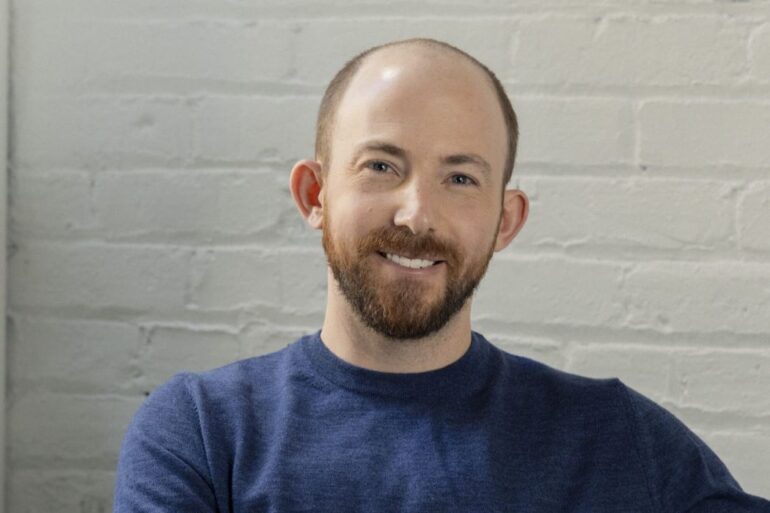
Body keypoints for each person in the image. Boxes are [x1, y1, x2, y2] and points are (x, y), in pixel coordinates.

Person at [113, 38, 770, 512]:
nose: (417, 213)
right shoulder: (204, 432)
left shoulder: (615, 438)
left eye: (460, 178)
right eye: (381, 166)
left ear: (505, 221)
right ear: (315, 194)